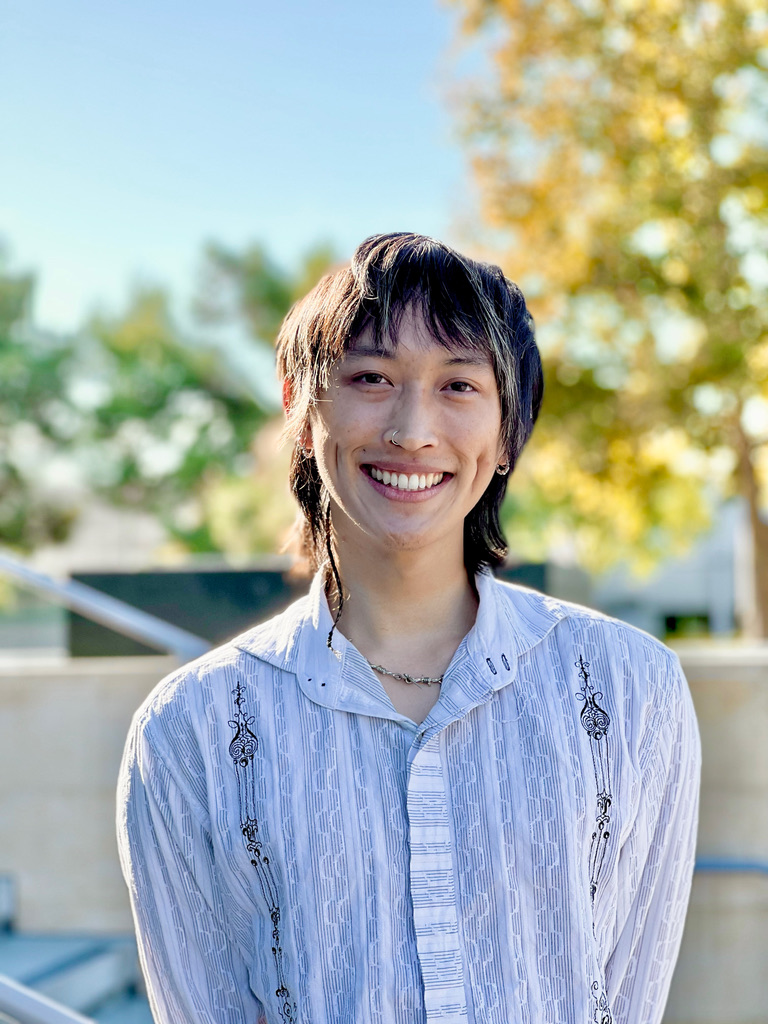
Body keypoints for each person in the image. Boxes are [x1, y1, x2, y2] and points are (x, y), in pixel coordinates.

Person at [117, 232, 701, 1024]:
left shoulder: (629, 689)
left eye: (459, 385)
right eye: (370, 377)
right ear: (299, 404)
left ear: (507, 430)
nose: (412, 429)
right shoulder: (191, 730)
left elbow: (628, 993)